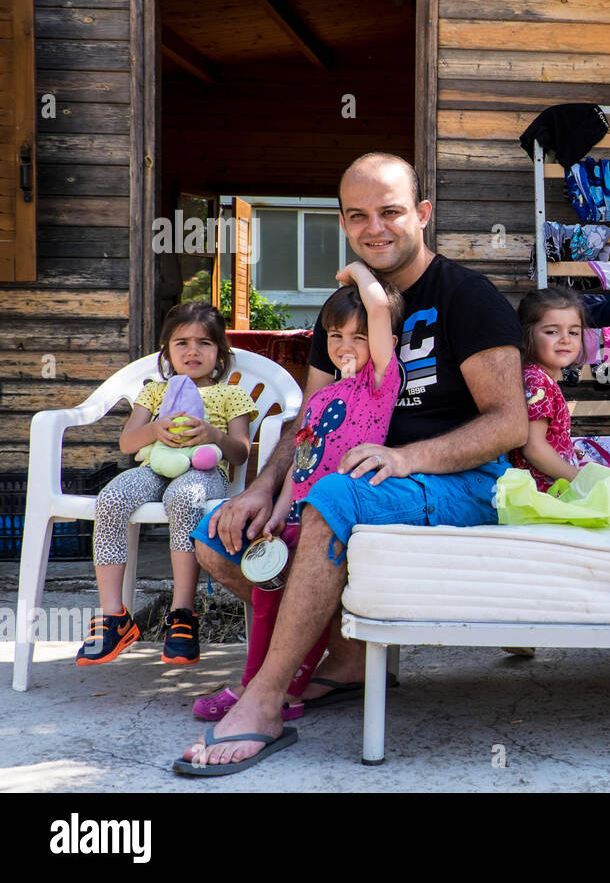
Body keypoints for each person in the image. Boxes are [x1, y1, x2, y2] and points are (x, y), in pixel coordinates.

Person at [176, 152, 527, 774]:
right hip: (350, 477)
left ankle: (263, 699)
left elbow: (508, 424)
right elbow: (312, 418)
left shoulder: (467, 298)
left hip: (456, 481)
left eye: (391, 211)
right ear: (343, 222)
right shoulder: (341, 308)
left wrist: (405, 457)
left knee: (331, 499)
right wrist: (261, 487)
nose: (376, 228)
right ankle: (344, 657)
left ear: (422, 214)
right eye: (358, 216)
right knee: (214, 533)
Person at [191, 263, 404, 722]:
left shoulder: (381, 385)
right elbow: (301, 464)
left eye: (359, 337)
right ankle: (255, 685)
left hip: (336, 519)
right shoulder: (323, 399)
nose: (345, 347)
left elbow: (381, 312)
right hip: (295, 516)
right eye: (336, 337)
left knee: (296, 603)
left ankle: (286, 692)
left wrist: (359, 274)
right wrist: (277, 511)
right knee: (271, 599)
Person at [77, 302, 255, 667]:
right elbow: (128, 443)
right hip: (154, 468)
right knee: (111, 498)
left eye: (204, 343)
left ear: (220, 353)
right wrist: (155, 429)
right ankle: (114, 616)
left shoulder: (230, 394)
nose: (193, 351)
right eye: (182, 343)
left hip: (204, 474)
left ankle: (182, 614)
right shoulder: (156, 392)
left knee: (183, 497)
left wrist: (214, 435)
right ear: (167, 352)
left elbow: (240, 454)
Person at [508, 285, 610, 512]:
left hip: (553, 489)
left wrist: (567, 452)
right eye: (552, 332)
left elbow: (545, 440)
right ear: (527, 337)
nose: (565, 339)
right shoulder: (537, 381)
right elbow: (533, 447)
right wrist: (579, 478)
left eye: (574, 332)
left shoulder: (538, 378)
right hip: (554, 495)